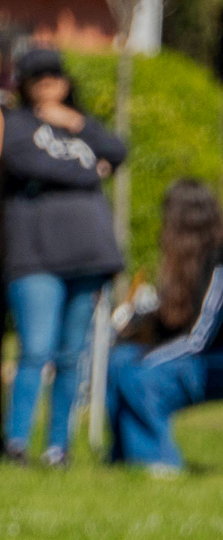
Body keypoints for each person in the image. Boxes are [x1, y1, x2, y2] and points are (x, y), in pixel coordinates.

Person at [2, 46, 127, 467]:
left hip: (87, 254)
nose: (48, 87)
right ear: (25, 87)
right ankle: (15, 442)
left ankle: (59, 447)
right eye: (38, 80)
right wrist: (91, 172)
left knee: (72, 354)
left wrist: (76, 122)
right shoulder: (15, 124)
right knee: (35, 349)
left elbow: (119, 150)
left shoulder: (81, 126)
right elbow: (24, 161)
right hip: (34, 255)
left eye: (54, 79)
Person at [107, 180, 223, 472]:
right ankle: (123, 461)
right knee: (117, 362)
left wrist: (149, 358)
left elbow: (200, 337)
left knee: (140, 376)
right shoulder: (186, 260)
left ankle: (161, 464)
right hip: (196, 355)